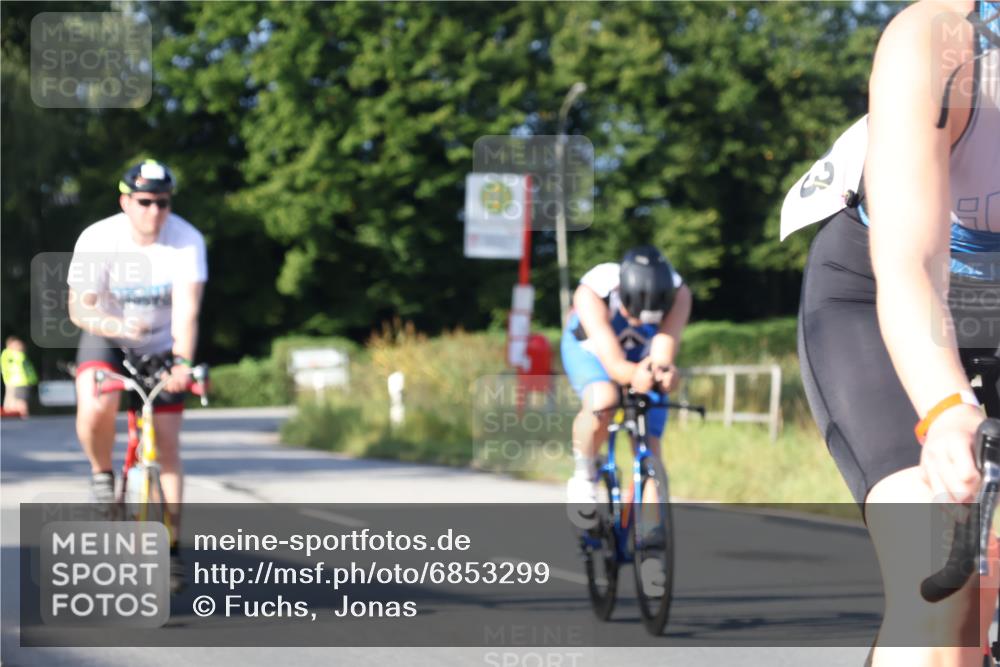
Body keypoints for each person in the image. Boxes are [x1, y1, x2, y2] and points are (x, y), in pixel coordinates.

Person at [784, 1, 1000, 664]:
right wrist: (946, 409)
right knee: (945, 576)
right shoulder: (940, 42)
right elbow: (912, 264)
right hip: (884, 296)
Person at [67, 159, 207, 591]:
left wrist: (183, 364)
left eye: (162, 203)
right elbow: (80, 308)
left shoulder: (186, 240)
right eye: (144, 201)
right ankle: (100, 476)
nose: (154, 212)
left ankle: (172, 549)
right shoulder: (99, 237)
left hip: (163, 346)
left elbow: (187, 313)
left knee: (167, 444)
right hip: (109, 337)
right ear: (125, 200)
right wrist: (119, 327)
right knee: (96, 402)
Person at [561, 246, 692, 513]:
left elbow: (663, 353)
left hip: (638, 354)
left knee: (650, 443)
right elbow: (615, 364)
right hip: (590, 352)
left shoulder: (679, 294)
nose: (637, 322)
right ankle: (583, 475)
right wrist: (632, 375)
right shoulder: (592, 292)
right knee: (604, 399)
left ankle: (653, 533)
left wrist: (665, 374)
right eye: (632, 315)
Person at [1, 336, 37, 417]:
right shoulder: (14, 355)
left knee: (13, 400)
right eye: (18, 344)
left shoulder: (9, 354)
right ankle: (24, 416)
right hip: (19, 381)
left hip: (17, 381)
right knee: (20, 401)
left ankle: (16, 416)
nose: (21, 346)